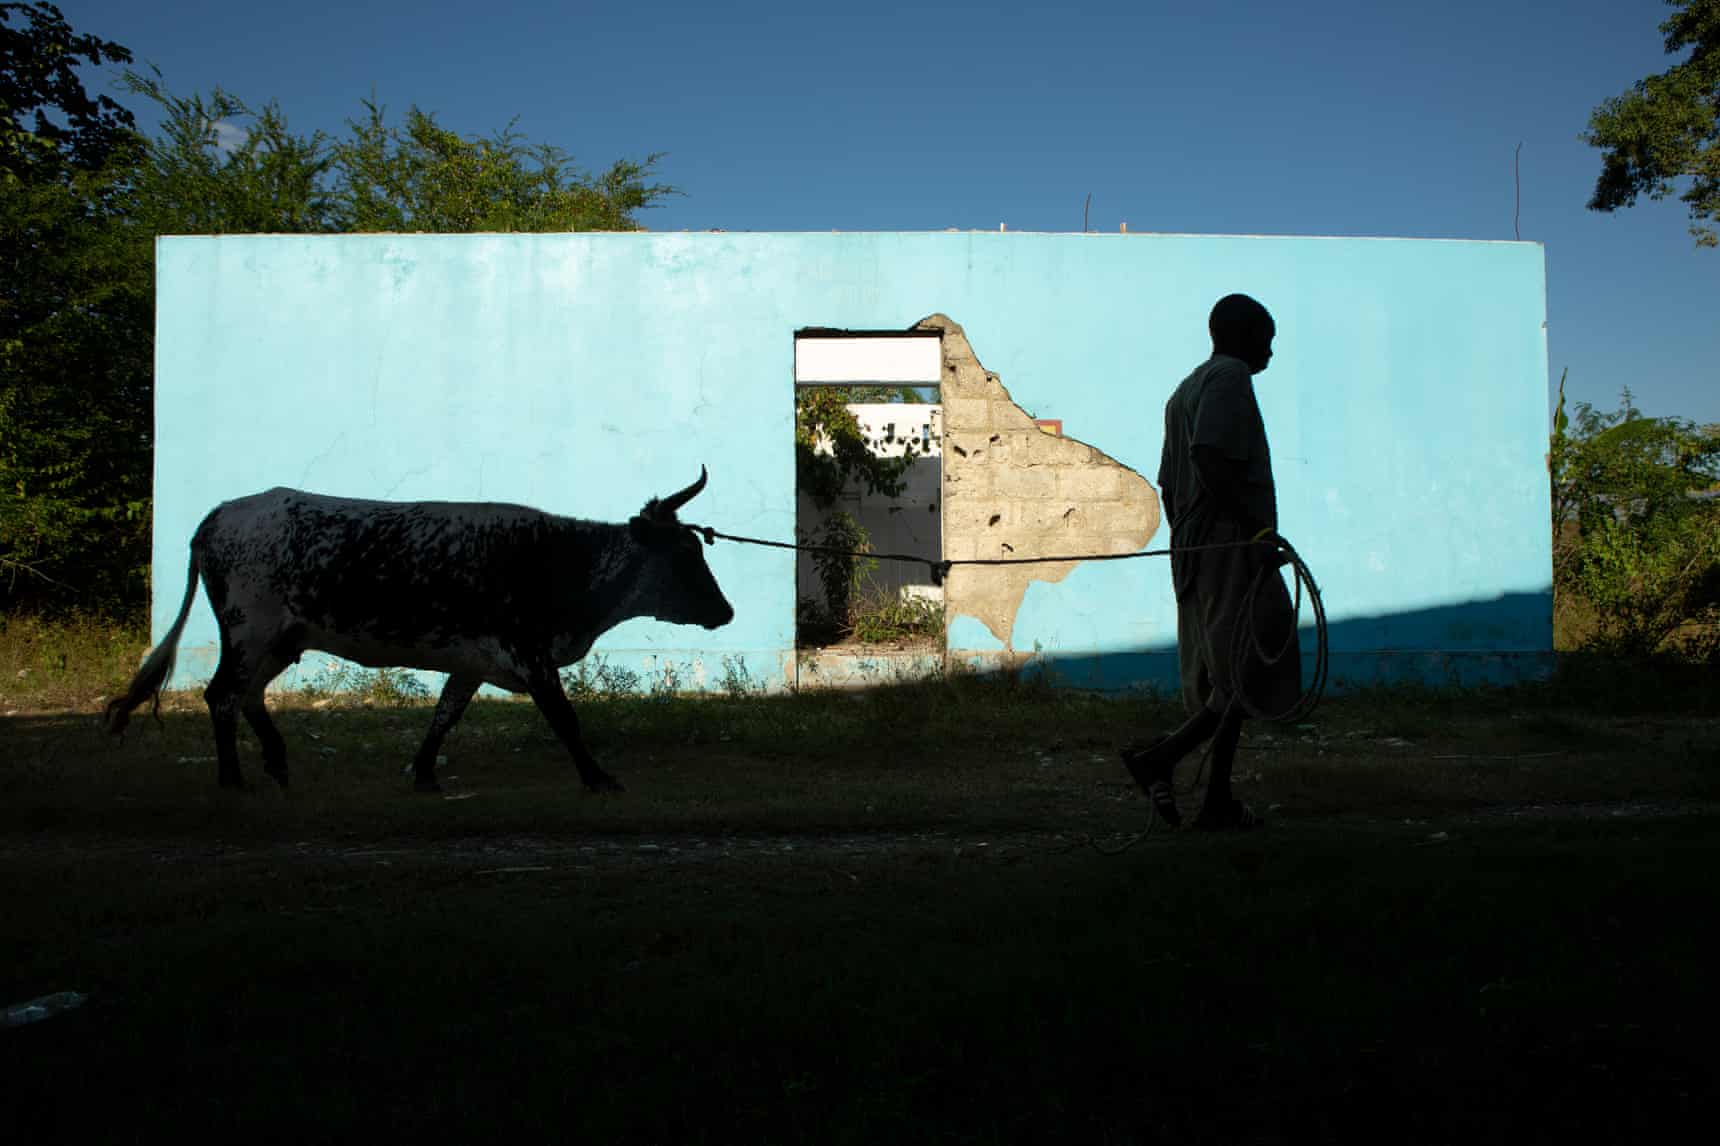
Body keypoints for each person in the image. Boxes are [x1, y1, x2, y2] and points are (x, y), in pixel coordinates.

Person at [1123, 293, 1300, 830]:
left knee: (1229, 671)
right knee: (1242, 670)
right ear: (1243, 335)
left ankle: (1216, 798)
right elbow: (1207, 455)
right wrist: (1253, 530)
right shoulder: (1230, 378)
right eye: (1266, 338)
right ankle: (1161, 759)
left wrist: (1189, 536)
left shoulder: (1183, 391)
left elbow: (1167, 482)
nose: (1270, 350)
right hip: (1228, 547)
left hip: (1199, 548)